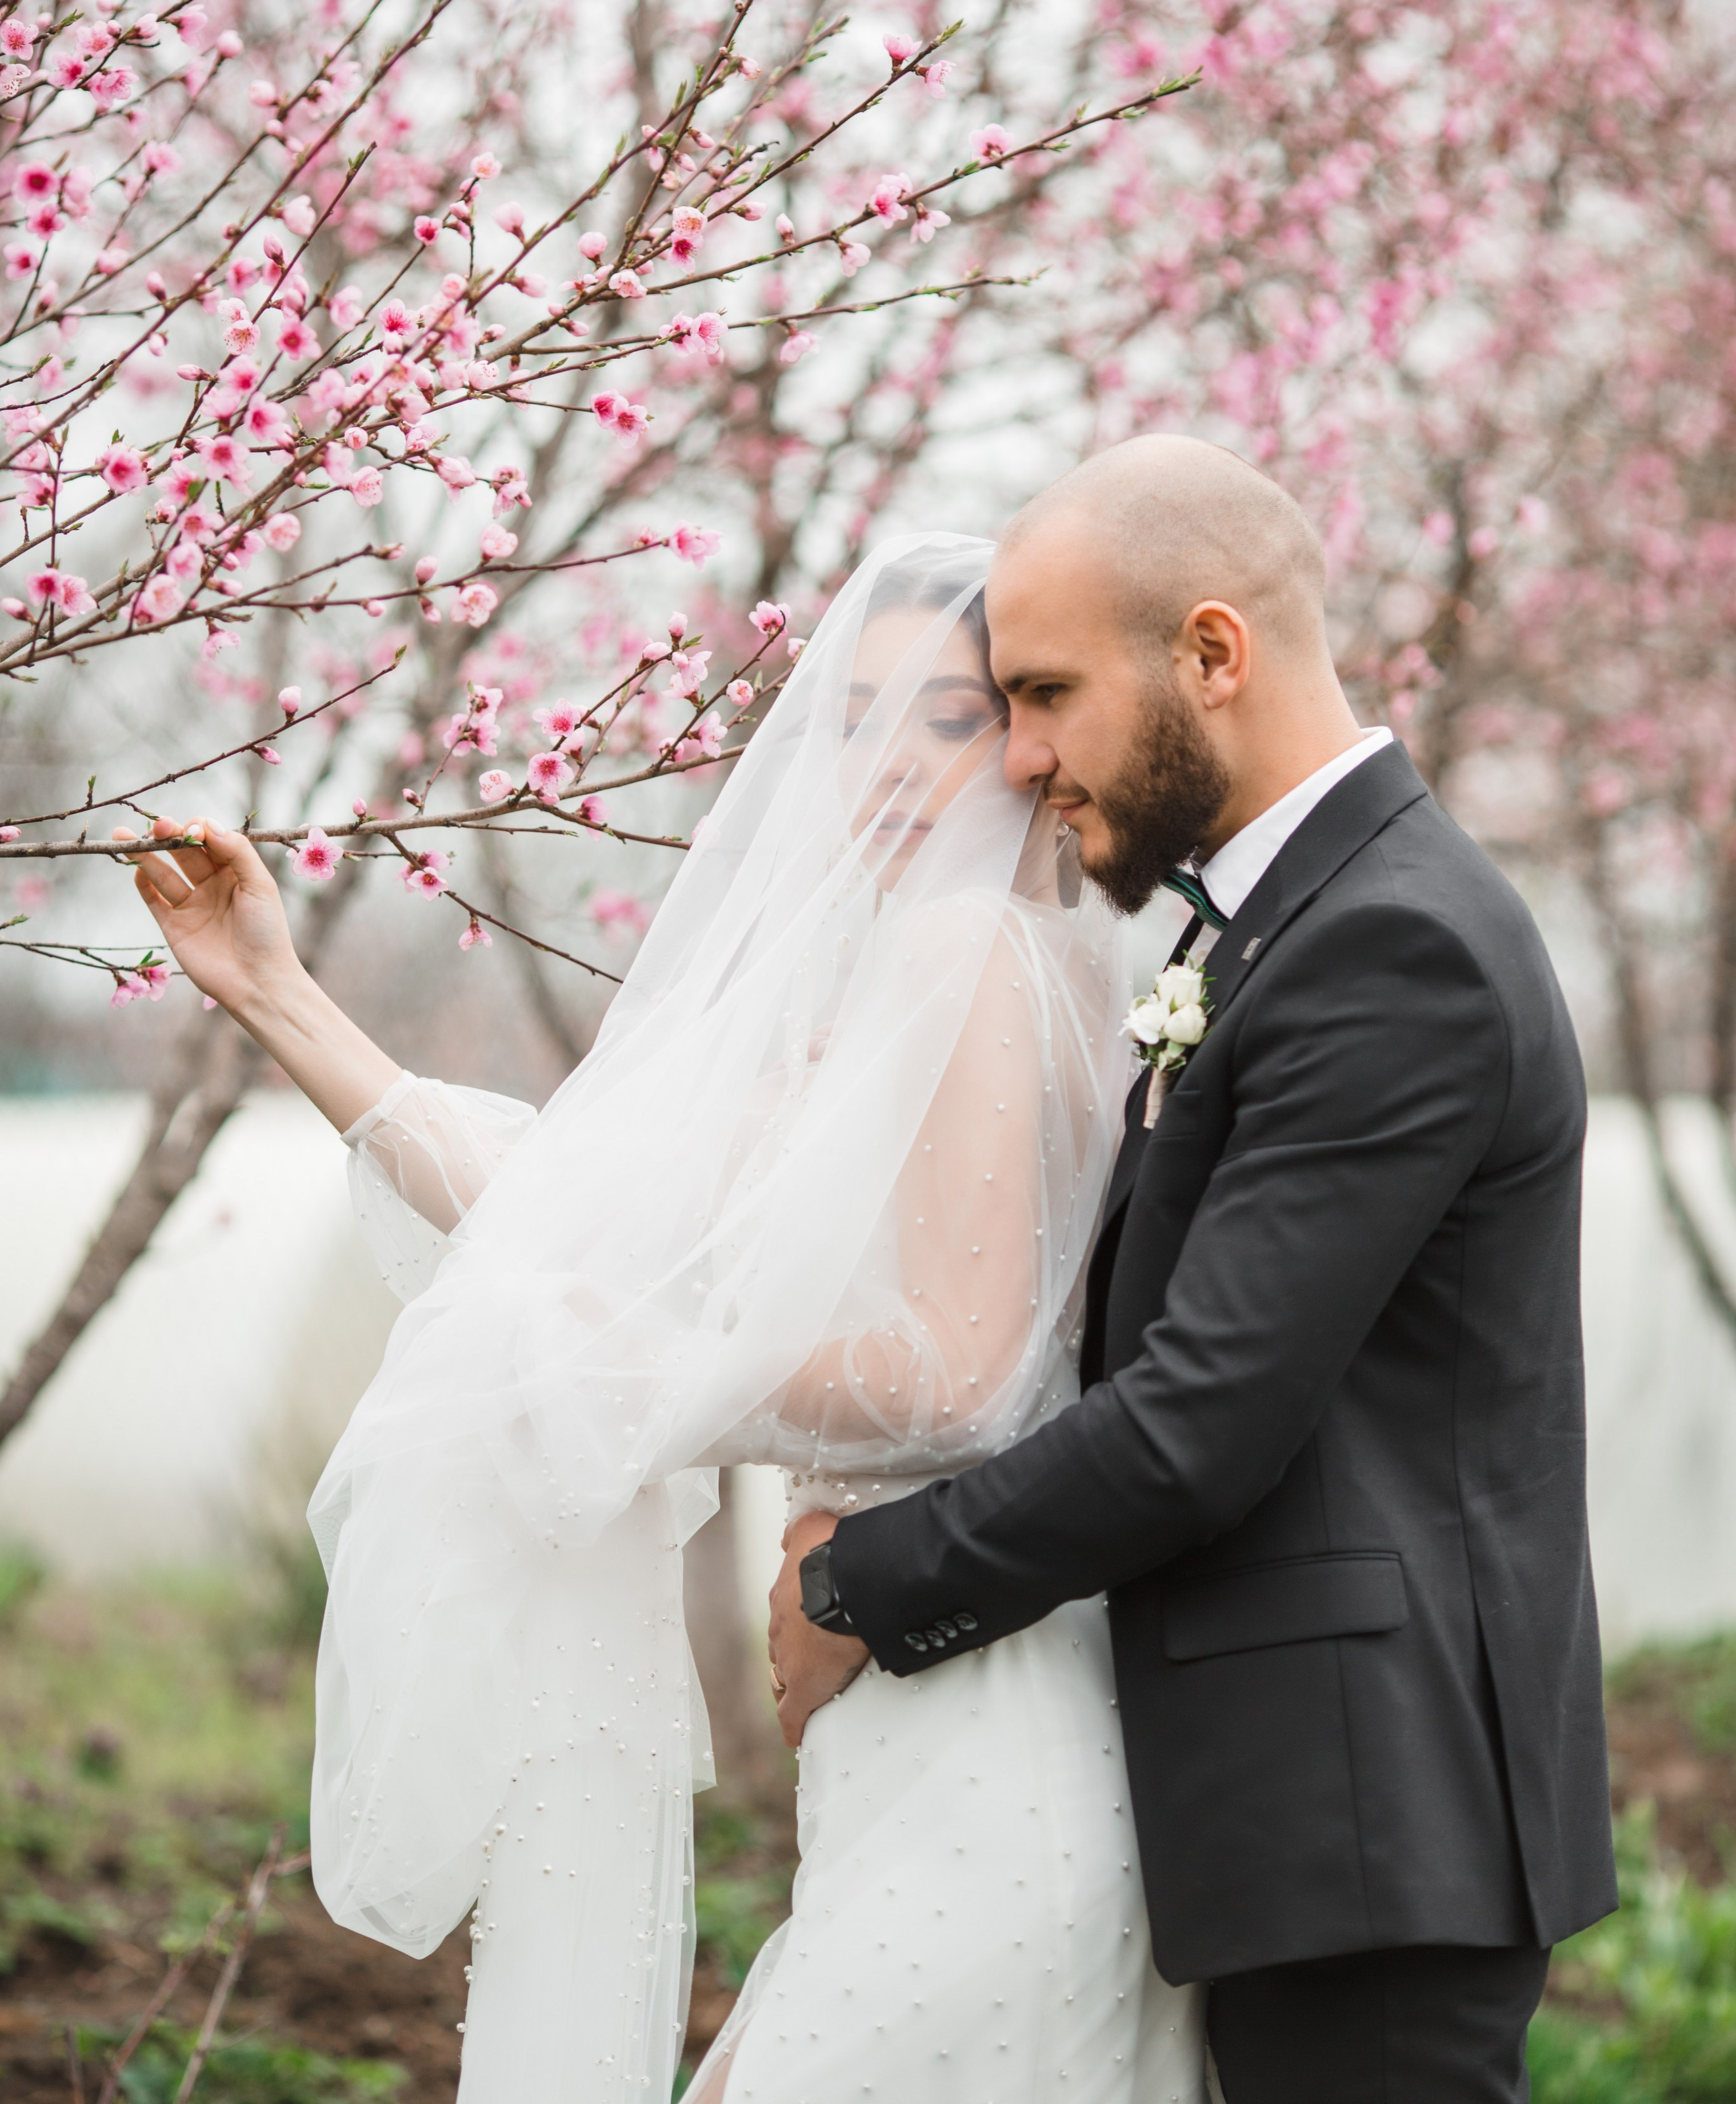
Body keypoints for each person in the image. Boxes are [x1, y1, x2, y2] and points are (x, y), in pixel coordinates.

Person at [118, 534, 1208, 2104]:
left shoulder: (963, 952)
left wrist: (625, 1380)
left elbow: (958, 1383)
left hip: (988, 1726)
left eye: (948, 720)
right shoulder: (942, 986)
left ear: (1039, 748)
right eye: (851, 719)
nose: (889, 766)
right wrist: (279, 996)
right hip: (934, 1719)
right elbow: (574, 1216)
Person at [769, 435, 1618, 2104]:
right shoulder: (1275, 924)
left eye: (1045, 695)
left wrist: (853, 1582)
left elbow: (1192, 1426)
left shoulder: (1391, 946)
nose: (1020, 755)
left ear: (1210, 656)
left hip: (1371, 1827)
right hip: (1306, 1814)